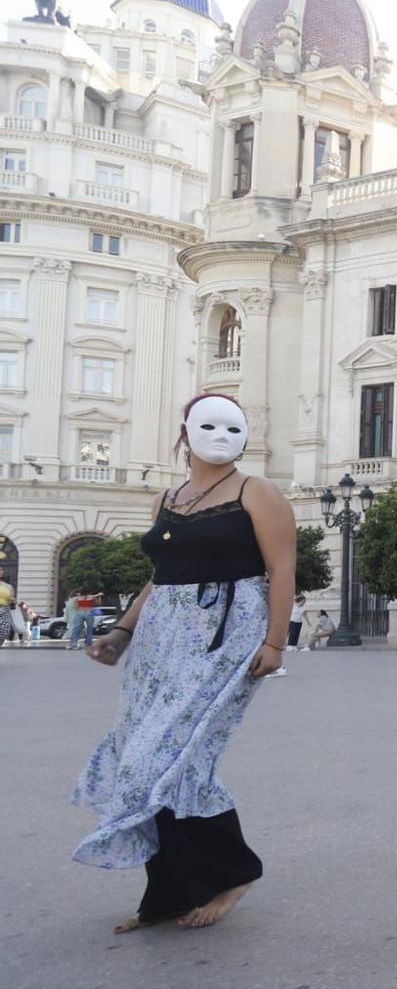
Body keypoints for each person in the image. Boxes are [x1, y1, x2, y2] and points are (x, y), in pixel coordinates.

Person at [71, 393, 295, 932]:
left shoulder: (256, 491)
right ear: (186, 432)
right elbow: (160, 576)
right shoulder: (168, 498)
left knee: (167, 759)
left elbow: (282, 568)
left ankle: (234, 871)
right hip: (159, 640)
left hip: (224, 635)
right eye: (209, 425)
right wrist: (123, 631)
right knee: (147, 761)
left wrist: (275, 641)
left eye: (232, 426)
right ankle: (168, 894)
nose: (221, 435)